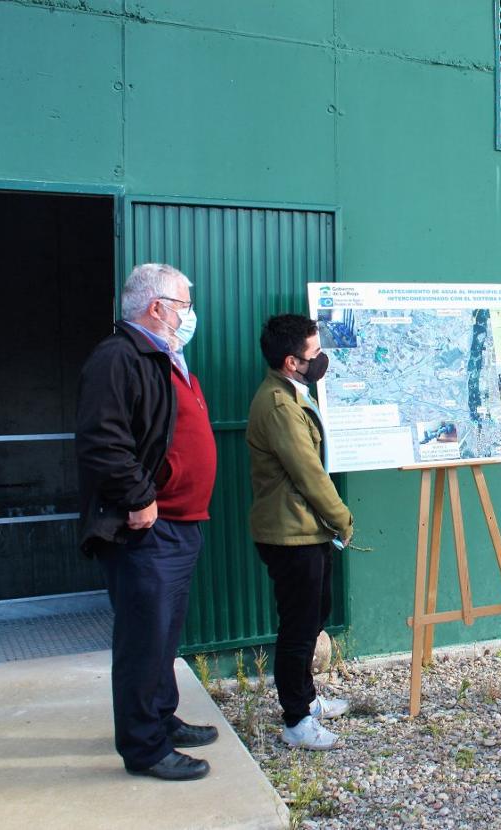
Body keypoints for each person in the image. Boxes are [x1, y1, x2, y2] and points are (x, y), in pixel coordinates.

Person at [75, 263, 218, 782]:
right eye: (183, 305)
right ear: (156, 307)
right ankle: (144, 748)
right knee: (142, 639)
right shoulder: (119, 357)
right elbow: (102, 439)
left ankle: (161, 716)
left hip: (180, 524)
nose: (190, 315)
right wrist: (138, 497)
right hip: (146, 528)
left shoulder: (165, 357)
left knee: (164, 634)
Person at [247, 314, 354, 750]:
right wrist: (342, 517)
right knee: (298, 628)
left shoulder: (290, 394)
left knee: (313, 620)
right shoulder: (278, 406)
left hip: (305, 531)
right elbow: (309, 473)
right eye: (314, 353)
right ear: (292, 361)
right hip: (291, 534)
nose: (322, 358)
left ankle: (307, 700)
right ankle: (296, 721)